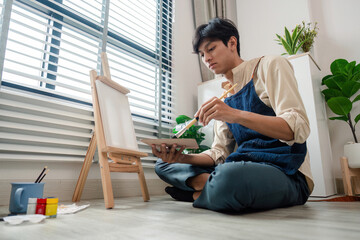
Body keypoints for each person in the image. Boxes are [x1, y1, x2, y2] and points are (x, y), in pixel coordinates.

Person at [152, 18, 313, 213]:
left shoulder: (270, 65)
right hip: (242, 165)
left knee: (229, 176)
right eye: (202, 54)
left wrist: (234, 114)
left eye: (211, 49)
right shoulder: (225, 96)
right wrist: (180, 158)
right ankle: (210, 187)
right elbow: (219, 154)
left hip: (286, 171)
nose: (206, 59)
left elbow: (297, 128)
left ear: (232, 43)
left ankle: (198, 192)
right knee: (163, 164)